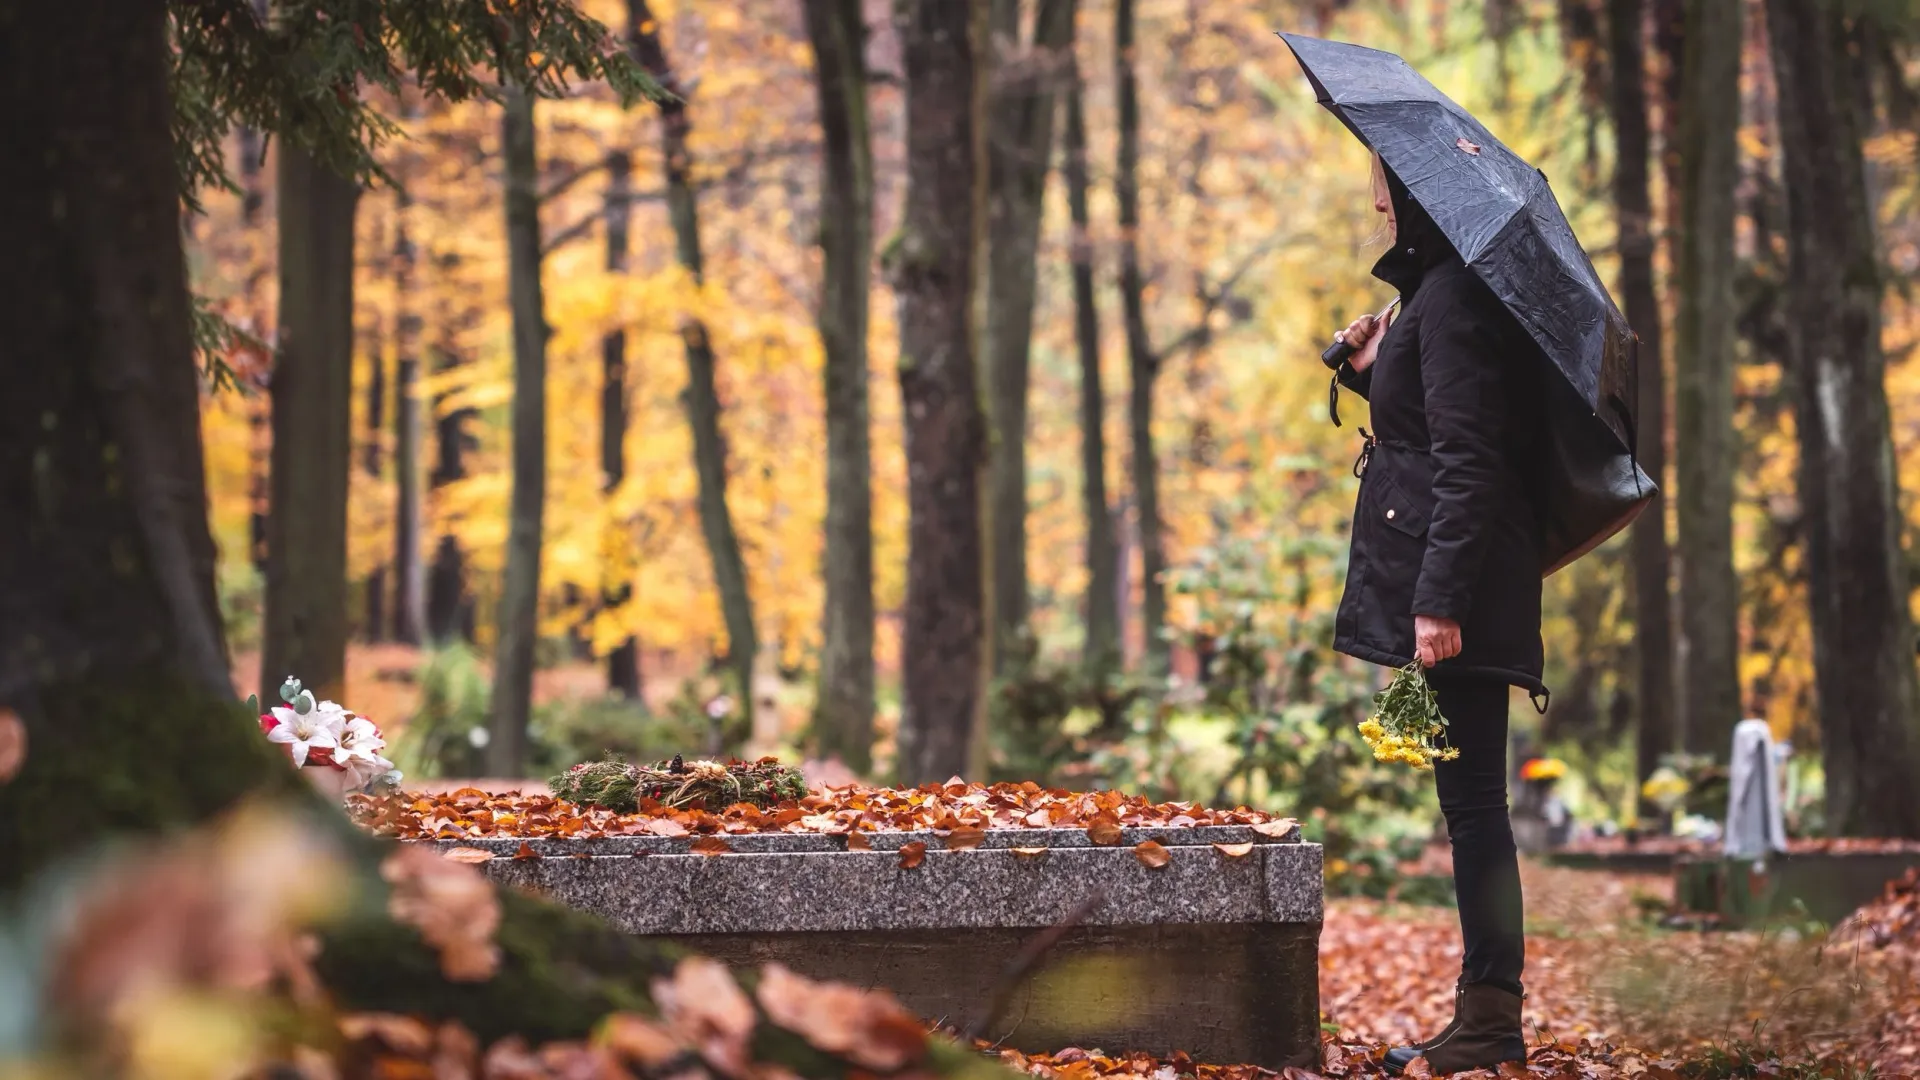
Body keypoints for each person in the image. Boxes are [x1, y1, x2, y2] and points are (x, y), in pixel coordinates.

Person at [1328, 152, 1547, 1075]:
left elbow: (1471, 460)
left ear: (1417, 196)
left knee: (1475, 813)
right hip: (1460, 586)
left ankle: (1493, 1019)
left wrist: (1437, 604)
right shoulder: (1435, 299)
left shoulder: (1454, 300)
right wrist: (1364, 366)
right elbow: (1419, 429)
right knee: (1470, 810)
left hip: (1464, 592)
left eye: (1385, 186)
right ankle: (1485, 1015)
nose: (1377, 201)